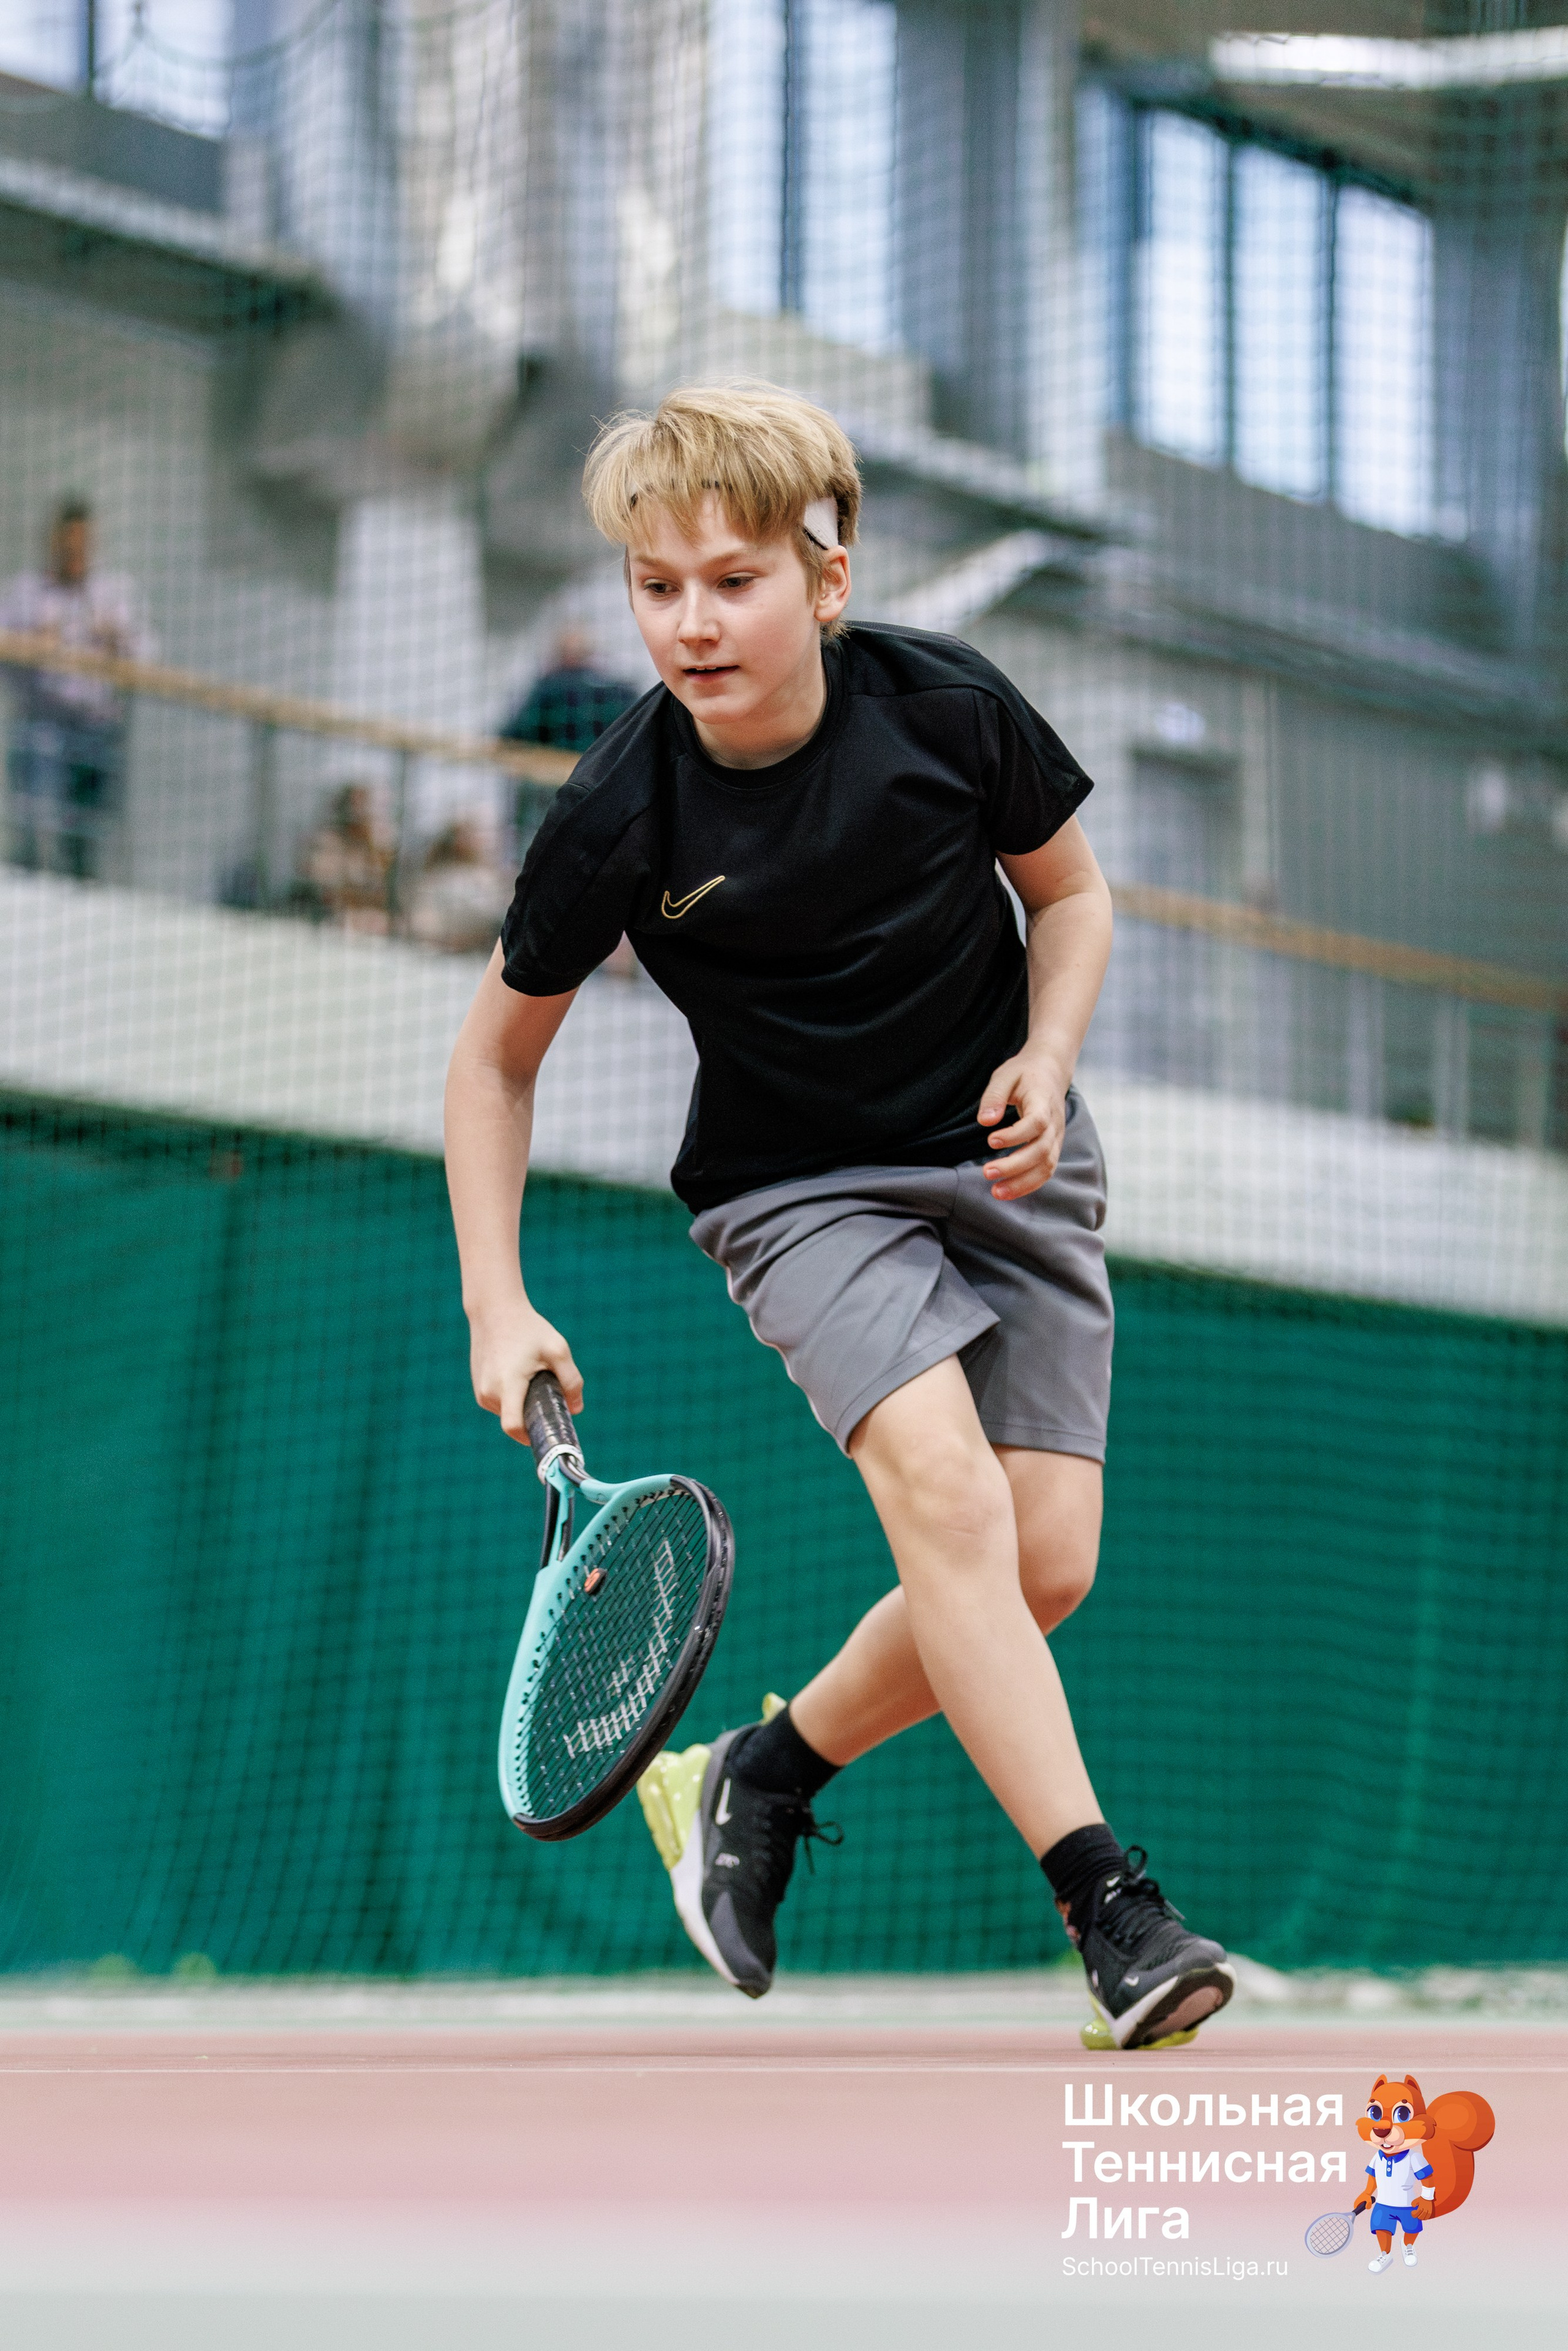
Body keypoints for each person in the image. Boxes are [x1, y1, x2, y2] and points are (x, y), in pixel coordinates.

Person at [444, 383, 1235, 2052]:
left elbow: (1074, 890)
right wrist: (494, 1301)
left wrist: (1048, 1044)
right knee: (942, 1497)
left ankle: (760, 1767)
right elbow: (493, 1062)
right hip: (796, 1191)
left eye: (730, 578)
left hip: (1009, 1153)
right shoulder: (621, 810)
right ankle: (1114, 1907)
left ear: (826, 574)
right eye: (659, 585)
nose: (691, 620)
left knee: (1044, 1568)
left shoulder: (948, 707)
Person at [1, 497, 154, 880]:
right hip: (44, 723)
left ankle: (85, 886)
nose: (74, 552)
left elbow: (149, 655)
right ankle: (31, 874)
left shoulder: (114, 592)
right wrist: (34, 643)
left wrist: (117, 640)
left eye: (82, 543)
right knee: (38, 813)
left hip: (97, 728)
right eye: (66, 543)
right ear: (52, 542)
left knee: (90, 828)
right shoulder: (26, 591)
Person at [500, 627, 642, 863]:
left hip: (553, 790)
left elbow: (513, 734)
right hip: (604, 789)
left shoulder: (549, 688)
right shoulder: (620, 691)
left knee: (544, 857)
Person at [292, 782, 393, 929]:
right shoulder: (329, 840)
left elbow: (381, 891)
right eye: (359, 804)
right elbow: (325, 887)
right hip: (331, 919)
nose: (364, 812)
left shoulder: (375, 846)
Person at [407, 817, 511, 954]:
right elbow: (422, 922)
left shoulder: (482, 875)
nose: (473, 840)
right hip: (439, 947)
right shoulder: (439, 876)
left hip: (473, 948)